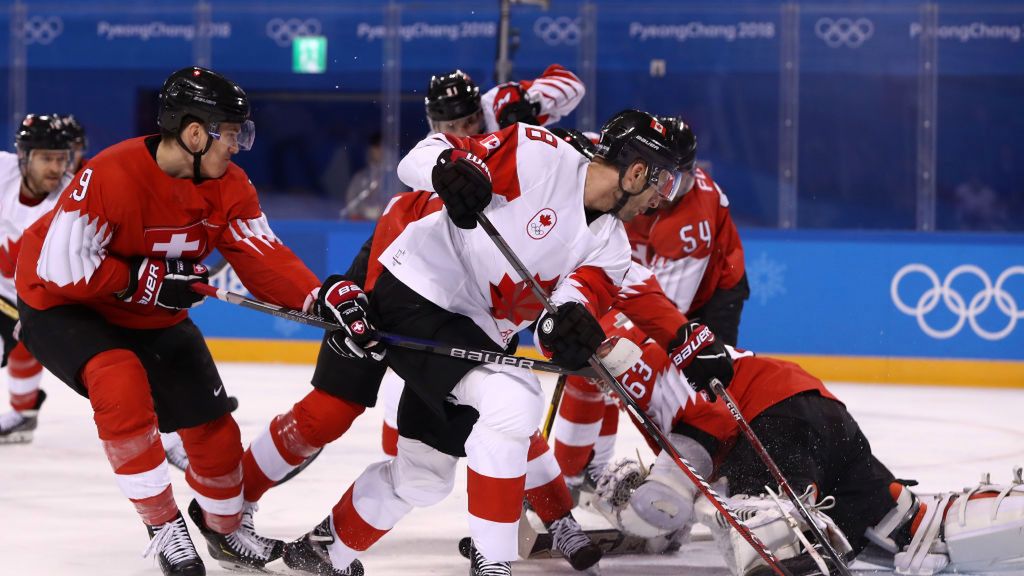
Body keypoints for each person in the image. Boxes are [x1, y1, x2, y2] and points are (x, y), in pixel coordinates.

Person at [274, 109, 732, 576]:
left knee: (423, 477)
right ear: (637, 172)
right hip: (417, 288)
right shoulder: (539, 154)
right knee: (513, 397)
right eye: (664, 184)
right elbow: (421, 155)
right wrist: (448, 170)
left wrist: (569, 330)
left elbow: (574, 303)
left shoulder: (611, 247)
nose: (662, 199)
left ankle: (322, 551)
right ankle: (494, 563)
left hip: (477, 333)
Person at [14, 66, 322, 576]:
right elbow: (60, 265)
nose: (239, 145)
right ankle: (162, 528)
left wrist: (319, 296)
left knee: (215, 433)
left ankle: (223, 533)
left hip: (148, 310)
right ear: (194, 133)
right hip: (65, 304)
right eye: (231, 133)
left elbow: (262, 254)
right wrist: (141, 279)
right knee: (121, 385)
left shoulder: (230, 185)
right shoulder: (111, 174)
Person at [0, 114, 73, 444]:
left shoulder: (73, 197)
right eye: (46, 158)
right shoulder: (3, 172)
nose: (55, 168)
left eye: (61, 158)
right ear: (24, 156)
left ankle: (24, 414)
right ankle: (24, 415)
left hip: (39, 299)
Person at [424, 65, 584, 137]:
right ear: (435, 127)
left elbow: (573, 86)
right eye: (451, 126)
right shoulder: (430, 155)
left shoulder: (498, 104)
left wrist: (531, 103)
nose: (463, 134)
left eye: (469, 121)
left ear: (480, 112)